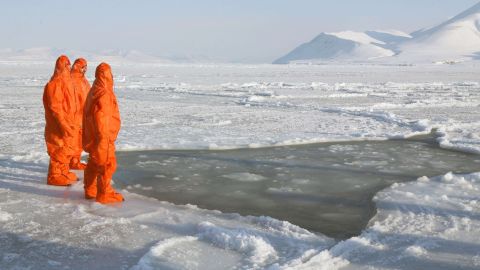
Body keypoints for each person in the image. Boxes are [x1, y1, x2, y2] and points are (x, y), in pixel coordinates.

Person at [83, 62, 124, 203]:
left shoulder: (95, 89)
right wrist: (103, 139)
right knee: (107, 164)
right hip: (103, 137)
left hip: (94, 135)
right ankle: (104, 194)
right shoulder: (104, 94)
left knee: (94, 163)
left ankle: (90, 189)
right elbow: (102, 117)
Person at [43, 55, 78, 186]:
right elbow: (55, 107)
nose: (69, 67)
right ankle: (54, 176)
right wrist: (63, 124)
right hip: (57, 125)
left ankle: (63, 171)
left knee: (67, 148)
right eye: (67, 64)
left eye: (70, 64)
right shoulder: (54, 84)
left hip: (68, 122)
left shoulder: (66, 82)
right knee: (58, 148)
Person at [69, 58, 90, 170]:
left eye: (86, 66)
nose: (85, 69)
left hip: (83, 115)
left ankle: (75, 161)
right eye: (83, 66)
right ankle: (66, 163)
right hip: (73, 116)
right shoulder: (70, 80)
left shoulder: (84, 81)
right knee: (72, 140)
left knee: (79, 141)